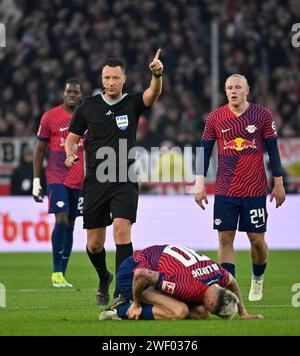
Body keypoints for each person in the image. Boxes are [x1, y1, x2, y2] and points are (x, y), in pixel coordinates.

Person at [64, 50, 163, 305]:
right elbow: (72, 139)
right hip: (96, 181)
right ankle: (103, 276)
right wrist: (70, 154)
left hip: (124, 179)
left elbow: (152, 95)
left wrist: (157, 75)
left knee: (121, 231)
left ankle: (123, 292)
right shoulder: (89, 107)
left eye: (115, 78)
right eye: (106, 78)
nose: (110, 83)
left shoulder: (131, 103)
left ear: (124, 79)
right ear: (101, 78)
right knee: (95, 244)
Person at [194, 74, 286, 301]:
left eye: (237, 87)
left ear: (247, 90)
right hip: (225, 190)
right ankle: (229, 292)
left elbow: (273, 150)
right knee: (225, 239)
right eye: (228, 88)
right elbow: (204, 151)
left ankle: (257, 278)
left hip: (254, 190)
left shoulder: (262, 115)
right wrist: (199, 184)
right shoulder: (216, 117)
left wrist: (278, 182)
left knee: (257, 241)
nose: (232, 91)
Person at [99, 244, 263, 321]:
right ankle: (120, 310)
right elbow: (141, 275)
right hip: (131, 273)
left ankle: (145, 306)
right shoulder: (188, 286)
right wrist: (136, 304)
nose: (209, 311)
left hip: (156, 268)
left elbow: (232, 282)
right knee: (180, 311)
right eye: (213, 310)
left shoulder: (218, 274)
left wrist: (243, 312)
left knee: (201, 313)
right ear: (212, 301)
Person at [33, 78, 84, 288]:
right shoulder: (50, 117)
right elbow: (39, 150)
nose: (72, 95)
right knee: (61, 219)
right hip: (55, 176)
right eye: (69, 92)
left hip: (77, 178)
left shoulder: (85, 118)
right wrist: (36, 180)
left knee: (71, 224)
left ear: (80, 96)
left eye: (75, 92)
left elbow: (90, 149)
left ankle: (62, 274)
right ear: (63, 94)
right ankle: (56, 271)